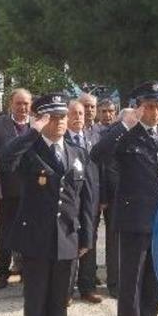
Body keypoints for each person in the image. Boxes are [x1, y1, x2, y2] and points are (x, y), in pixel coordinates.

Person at [0, 92, 93, 316]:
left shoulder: (77, 152)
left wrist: (86, 236)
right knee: (36, 299)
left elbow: (86, 198)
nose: (60, 122)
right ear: (41, 119)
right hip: (36, 239)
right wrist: (32, 132)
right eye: (53, 117)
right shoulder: (29, 150)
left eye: (63, 116)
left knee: (60, 299)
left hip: (66, 237)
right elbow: (4, 160)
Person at [91, 81, 158, 316]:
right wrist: (124, 125)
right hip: (133, 221)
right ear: (139, 107)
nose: (154, 112)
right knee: (131, 284)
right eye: (149, 107)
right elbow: (98, 154)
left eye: (157, 107)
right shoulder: (125, 135)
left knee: (156, 284)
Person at [0, 88, 33, 288]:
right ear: (10, 104)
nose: (23, 107)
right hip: (7, 191)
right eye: (19, 103)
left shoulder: (38, 124)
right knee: (5, 233)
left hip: (33, 191)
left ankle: (25, 270)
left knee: (29, 232)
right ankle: (3, 272)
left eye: (26, 103)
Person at [64, 100, 102, 304]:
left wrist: (102, 196)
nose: (79, 116)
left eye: (81, 113)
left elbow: (101, 168)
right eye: (75, 113)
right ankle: (66, 291)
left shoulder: (93, 136)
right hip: (71, 198)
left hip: (91, 198)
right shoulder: (63, 139)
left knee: (90, 240)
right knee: (70, 243)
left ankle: (87, 287)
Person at [95, 98, 119, 297]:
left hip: (117, 194)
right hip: (98, 193)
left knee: (115, 239)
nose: (107, 115)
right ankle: (89, 275)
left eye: (110, 111)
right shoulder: (93, 133)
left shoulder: (121, 132)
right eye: (103, 111)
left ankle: (114, 278)